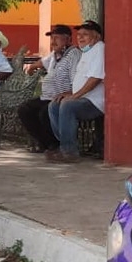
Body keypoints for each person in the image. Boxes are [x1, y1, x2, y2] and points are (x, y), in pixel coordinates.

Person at [47, 21, 105, 163]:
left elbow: (96, 78)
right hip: (83, 98)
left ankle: (69, 152)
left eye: (85, 35)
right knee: (54, 104)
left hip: (95, 101)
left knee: (68, 106)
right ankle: (65, 145)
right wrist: (69, 93)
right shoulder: (86, 51)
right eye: (79, 35)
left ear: (96, 37)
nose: (80, 38)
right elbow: (80, 80)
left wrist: (74, 96)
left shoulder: (99, 48)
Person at [19, 24, 80, 153]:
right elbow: (42, 62)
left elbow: (77, 78)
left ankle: (55, 145)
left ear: (68, 40)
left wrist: (69, 92)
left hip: (62, 97)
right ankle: (45, 143)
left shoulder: (74, 54)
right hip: (47, 96)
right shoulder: (54, 55)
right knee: (24, 109)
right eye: (52, 38)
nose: (53, 42)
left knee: (44, 113)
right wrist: (32, 66)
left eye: (57, 38)